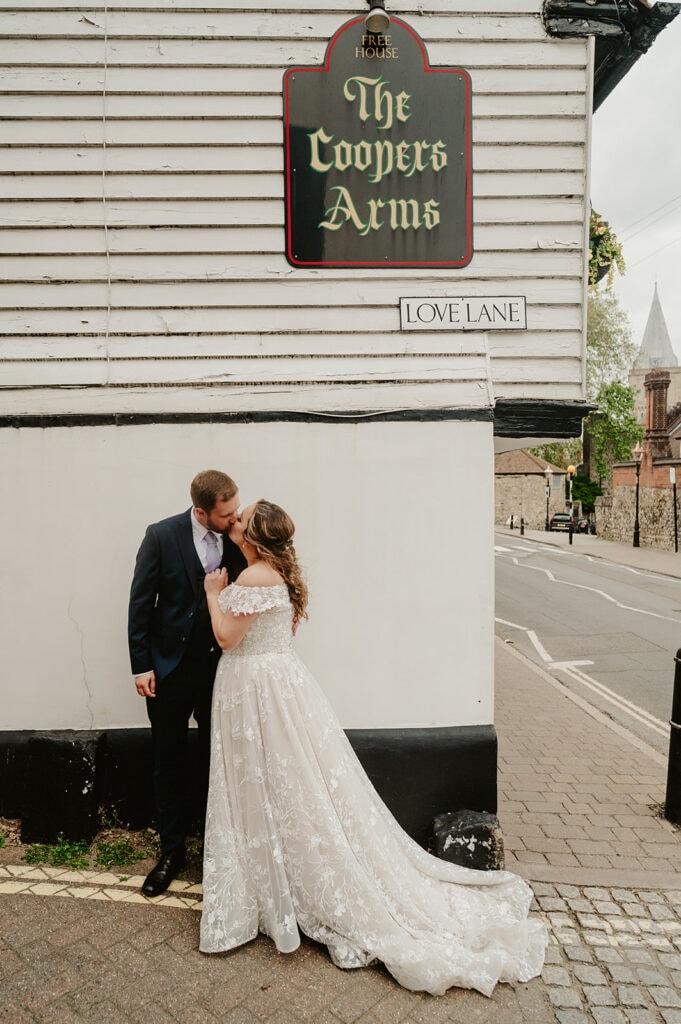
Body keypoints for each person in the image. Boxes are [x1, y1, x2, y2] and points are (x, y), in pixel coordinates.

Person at [199, 499, 547, 996]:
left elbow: (226, 638)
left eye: (241, 517)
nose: (233, 521)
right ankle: (272, 879)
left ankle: (272, 884)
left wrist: (214, 592)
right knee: (283, 783)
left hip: (257, 689)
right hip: (275, 686)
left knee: (270, 781)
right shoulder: (273, 572)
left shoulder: (253, 578)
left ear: (254, 536)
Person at [128, 470, 247, 897]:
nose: (234, 519)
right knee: (169, 760)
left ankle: (220, 851)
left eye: (236, 510)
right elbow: (141, 603)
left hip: (222, 668)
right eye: (225, 514)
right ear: (201, 511)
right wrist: (141, 666)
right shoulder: (161, 536)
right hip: (169, 671)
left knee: (222, 757)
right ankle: (171, 853)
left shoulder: (237, 537)